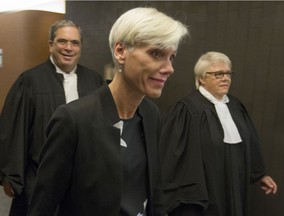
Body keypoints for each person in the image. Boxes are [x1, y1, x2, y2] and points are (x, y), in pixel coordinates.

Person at [27, 7, 188, 216]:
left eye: (171, 57)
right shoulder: (74, 119)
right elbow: (43, 206)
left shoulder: (150, 114)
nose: (169, 68)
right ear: (120, 51)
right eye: (156, 53)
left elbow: (154, 191)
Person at [0, 20, 103, 215]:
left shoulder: (94, 81)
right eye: (62, 41)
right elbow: (14, 130)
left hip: (83, 177)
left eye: (75, 43)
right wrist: (11, 176)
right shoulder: (29, 81)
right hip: (39, 175)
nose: (68, 48)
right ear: (51, 44)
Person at [160, 51, 277, 216]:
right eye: (218, 74)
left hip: (235, 184)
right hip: (205, 191)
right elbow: (172, 154)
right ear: (202, 78)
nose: (226, 78)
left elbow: (250, 142)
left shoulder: (235, 106)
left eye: (228, 73)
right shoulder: (187, 110)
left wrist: (260, 174)